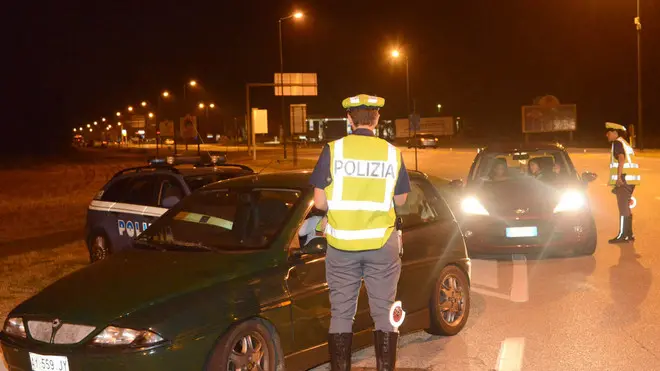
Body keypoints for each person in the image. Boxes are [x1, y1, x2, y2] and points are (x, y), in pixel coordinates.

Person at [310, 94, 410, 371]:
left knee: (341, 313)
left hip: (342, 245)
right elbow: (400, 200)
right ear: (377, 119)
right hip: (382, 244)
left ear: (349, 119)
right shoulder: (392, 153)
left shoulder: (333, 150)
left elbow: (319, 202)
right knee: (384, 311)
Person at [606, 122, 640, 243]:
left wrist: (619, 178)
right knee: (626, 206)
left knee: (623, 208)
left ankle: (622, 235)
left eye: (609, 132)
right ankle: (629, 234)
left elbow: (621, 158)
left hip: (624, 179)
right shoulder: (625, 143)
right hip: (631, 180)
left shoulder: (617, 143)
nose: (607, 135)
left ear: (615, 133)